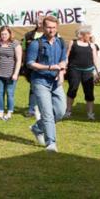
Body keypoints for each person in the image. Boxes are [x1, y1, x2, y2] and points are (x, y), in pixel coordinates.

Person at [27, 15, 68, 152]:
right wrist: (50, 67)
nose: (51, 30)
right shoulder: (35, 43)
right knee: (48, 113)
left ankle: (38, 128)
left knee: (61, 111)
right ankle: (51, 143)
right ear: (43, 28)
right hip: (40, 81)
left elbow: (63, 61)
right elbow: (30, 63)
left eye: (54, 28)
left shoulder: (61, 42)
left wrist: (61, 72)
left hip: (56, 82)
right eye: (49, 27)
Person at [65, 26, 99, 120]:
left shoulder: (92, 45)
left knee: (89, 92)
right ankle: (68, 111)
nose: (90, 35)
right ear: (82, 35)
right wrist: (64, 67)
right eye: (88, 34)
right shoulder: (73, 43)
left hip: (88, 71)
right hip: (74, 70)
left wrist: (97, 71)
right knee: (72, 89)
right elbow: (66, 56)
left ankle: (90, 114)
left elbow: (95, 58)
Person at [0, 26, 22, 120]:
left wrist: (15, 73)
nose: (4, 36)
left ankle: (9, 112)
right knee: (0, 93)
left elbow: (19, 60)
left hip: (11, 74)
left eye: (5, 34)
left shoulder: (15, 43)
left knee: (10, 93)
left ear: (10, 34)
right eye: (2, 34)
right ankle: (1, 113)